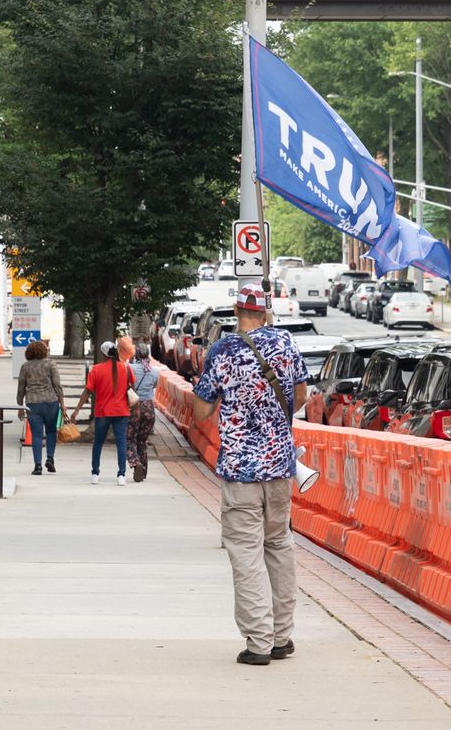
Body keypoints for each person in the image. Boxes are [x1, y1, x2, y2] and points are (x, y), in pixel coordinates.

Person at [191, 283, 308, 666]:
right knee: (278, 545)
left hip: (241, 470)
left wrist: (229, 398)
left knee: (246, 553)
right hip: (279, 470)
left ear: (237, 311)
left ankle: (258, 643)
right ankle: (282, 636)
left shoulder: (223, 351)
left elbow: (202, 412)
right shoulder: (287, 344)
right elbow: (302, 395)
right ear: (267, 311)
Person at [76, 339, 134, 485]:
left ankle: (95, 473)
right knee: (121, 442)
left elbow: (87, 391)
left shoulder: (96, 369)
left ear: (103, 354)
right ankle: (121, 475)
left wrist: (76, 410)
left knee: (98, 443)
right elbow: (132, 387)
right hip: (122, 411)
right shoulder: (126, 368)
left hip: (102, 412)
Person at [15, 339, 64, 475]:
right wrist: (63, 404)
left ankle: (37, 466)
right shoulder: (51, 364)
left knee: (36, 435)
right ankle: (50, 458)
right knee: (50, 432)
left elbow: (21, 388)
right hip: (51, 402)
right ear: (44, 351)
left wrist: (20, 406)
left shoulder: (25, 367)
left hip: (33, 404)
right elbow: (57, 385)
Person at [124, 338, 161, 482]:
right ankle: (144, 471)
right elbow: (154, 386)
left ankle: (135, 462)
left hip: (134, 407)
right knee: (142, 440)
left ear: (136, 355)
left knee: (130, 438)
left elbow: (127, 385)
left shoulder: (130, 368)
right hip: (149, 408)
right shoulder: (155, 371)